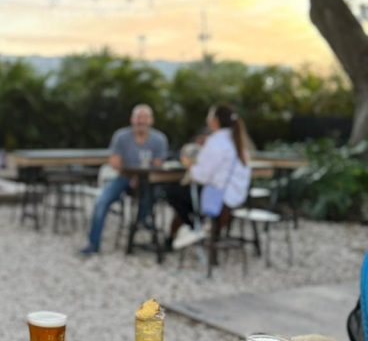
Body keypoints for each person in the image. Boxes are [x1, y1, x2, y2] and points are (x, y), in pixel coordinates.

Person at [80, 104, 169, 255]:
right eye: (138, 117)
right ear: (132, 119)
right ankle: (93, 244)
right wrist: (131, 175)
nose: (141, 121)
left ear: (151, 120)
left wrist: (139, 176)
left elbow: (158, 164)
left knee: (154, 192)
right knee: (102, 201)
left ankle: (141, 223)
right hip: (123, 177)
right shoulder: (121, 137)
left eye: (144, 118)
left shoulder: (159, 139)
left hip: (147, 181)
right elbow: (115, 162)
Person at [167, 104, 251, 246]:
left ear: (215, 120)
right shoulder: (238, 141)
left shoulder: (216, 141)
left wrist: (189, 165)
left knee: (171, 192)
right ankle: (194, 226)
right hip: (237, 197)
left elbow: (202, 176)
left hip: (219, 198)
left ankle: (194, 227)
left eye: (209, 116)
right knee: (185, 195)